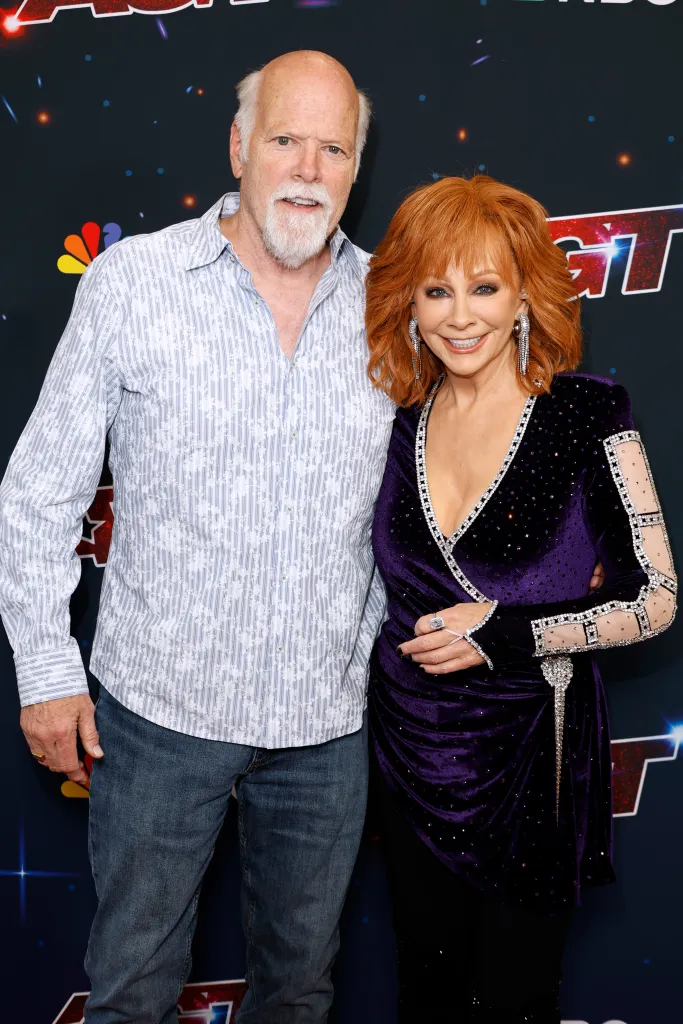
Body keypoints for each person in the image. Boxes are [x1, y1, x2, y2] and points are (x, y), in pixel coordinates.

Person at [0, 51, 396, 1024]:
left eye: (333, 147)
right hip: (157, 715)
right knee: (132, 986)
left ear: (356, 165)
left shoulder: (398, 304)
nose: (307, 167)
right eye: (284, 139)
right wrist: (47, 669)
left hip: (325, 724)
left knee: (298, 989)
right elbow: (41, 487)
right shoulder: (133, 282)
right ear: (237, 146)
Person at [365, 175, 677, 1023]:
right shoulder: (398, 420)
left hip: (528, 760)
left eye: (483, 286)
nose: (459, 316)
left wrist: (504, 634)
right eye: (436, 290)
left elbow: (654, 599)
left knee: (515, 999)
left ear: (523, 298)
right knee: (422, 994)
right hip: (406, 757)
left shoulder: (586, 413)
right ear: (409, 305)